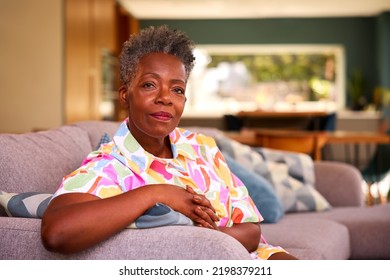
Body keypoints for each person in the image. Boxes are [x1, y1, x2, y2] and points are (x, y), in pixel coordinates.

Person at [41, 25, 297, 260]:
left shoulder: (203, 147)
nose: (166, 98)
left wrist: (215, 241)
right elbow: (57, 233)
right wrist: (159, 192)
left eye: (177, 89)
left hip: (254, 257)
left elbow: (252, 231)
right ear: (125, 96)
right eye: (150, 85)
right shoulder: (108, 166)